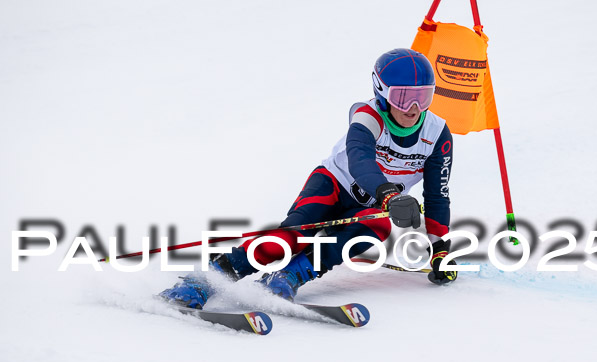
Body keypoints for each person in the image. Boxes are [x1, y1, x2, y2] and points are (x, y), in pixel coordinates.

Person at [160, 48, 457, 310]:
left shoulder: (436, 133)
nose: (414, 109)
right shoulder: (368, 116)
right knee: (290, 238)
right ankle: (206, 279)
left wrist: (439, 248)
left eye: (423, 97)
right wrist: (389, 194)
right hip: (333, 185)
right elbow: (360, 160)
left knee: (377, 224)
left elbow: (436, 195)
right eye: (403, 98)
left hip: (373, 204)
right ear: (381, 91)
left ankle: (289, 275)